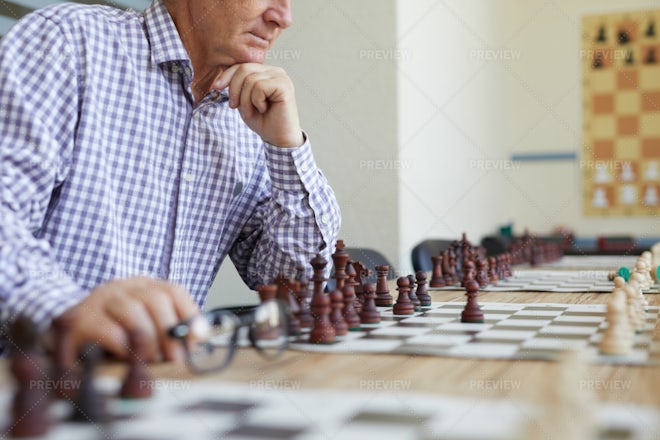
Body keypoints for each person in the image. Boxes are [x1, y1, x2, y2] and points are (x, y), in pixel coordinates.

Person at [0, 0, 340, 362]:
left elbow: (295, 284)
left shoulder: (249, 115)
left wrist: (287, 147)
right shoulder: (65, 41)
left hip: (165, 385)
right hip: (33, 388)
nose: (283, 18)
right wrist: (65, 310)